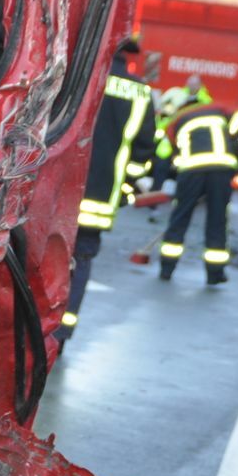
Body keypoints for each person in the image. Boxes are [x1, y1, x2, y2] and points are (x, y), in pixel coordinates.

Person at [58, 37, 156, 345]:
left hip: (61, 190)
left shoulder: (82, 75)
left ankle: (36, 326)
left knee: (47, 255)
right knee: (81, 260)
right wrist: (125, 188)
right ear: (128, 57)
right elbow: (143, 152)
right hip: (100, 199)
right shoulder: (140, 92)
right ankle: (63, 330)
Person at [157, 100, 238, 285]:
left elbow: (169, 153)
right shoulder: (217, 109)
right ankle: (215, 273)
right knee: (217, 219)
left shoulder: (175, 122)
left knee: (180, 217)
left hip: (191, 170)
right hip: (221, 169)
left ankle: (166, 268)